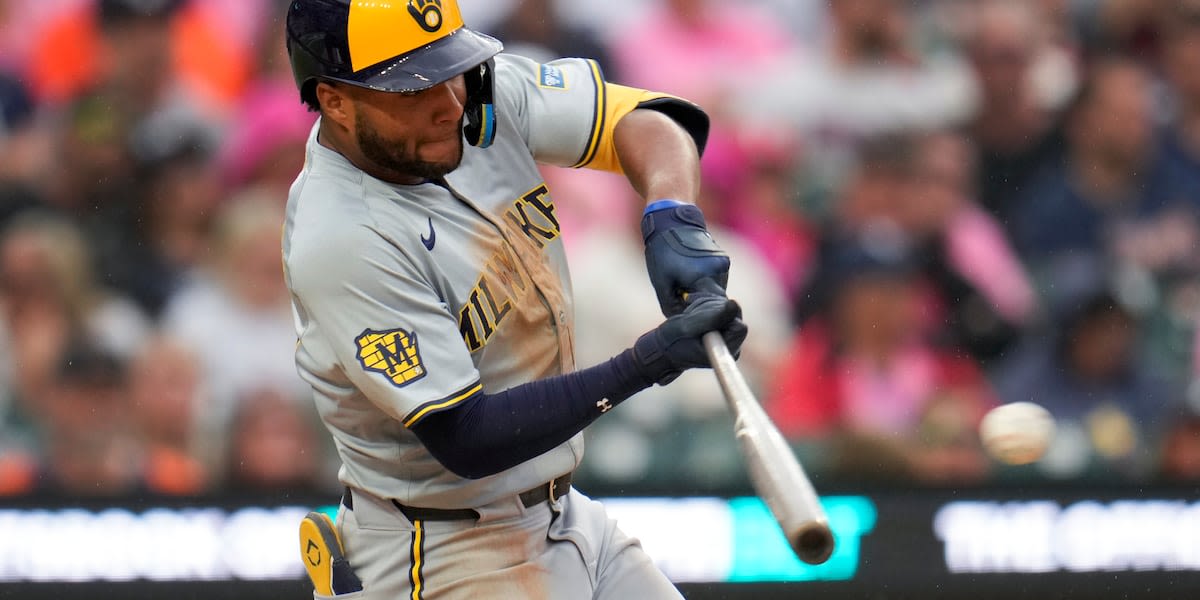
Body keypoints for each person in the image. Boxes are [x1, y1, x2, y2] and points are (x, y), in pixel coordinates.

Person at [280, 2, 746, 599]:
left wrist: (671, 211)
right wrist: (649, 361)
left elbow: (649, 118)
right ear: (335, 100)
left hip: (562, 514)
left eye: (448, 69)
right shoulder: (342, 236)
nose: (449, 105)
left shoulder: (469, 92)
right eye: (410, 89)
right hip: (447, 550)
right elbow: (467, 439)